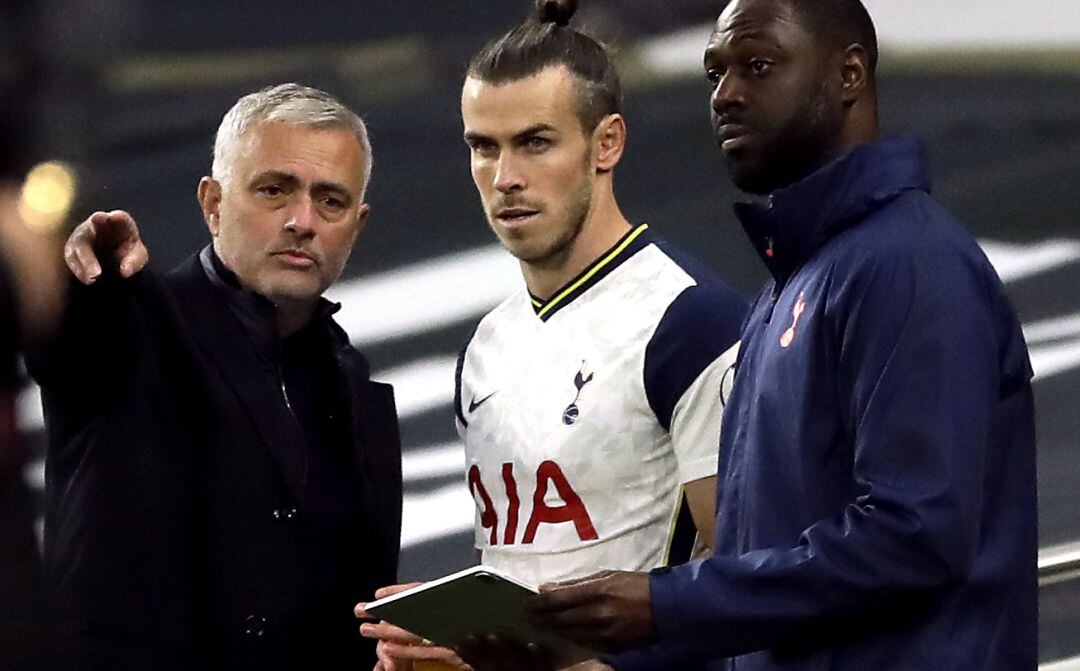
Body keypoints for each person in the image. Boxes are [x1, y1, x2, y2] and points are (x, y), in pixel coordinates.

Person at [508, 1, 1038, 670]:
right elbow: (759, 585)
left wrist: (666, 604)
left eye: (757, 67)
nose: (726, 95)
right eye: (714, 75)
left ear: (849, 74)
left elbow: (915, 536)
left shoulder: (908, 265)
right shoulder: (790, 286)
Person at [356, 2, 746, 669]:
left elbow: (745, 593)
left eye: (535, 141)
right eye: (484, 146)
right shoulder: (483, 348)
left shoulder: (688, 320)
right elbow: (518, 571)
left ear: (607, 143)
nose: (505, 176)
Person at [32, 83, 402, 670]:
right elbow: (71, 339)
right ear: (213, 203)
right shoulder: (134, 326)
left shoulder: (353, 385)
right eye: (274, 190)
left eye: (330, 201)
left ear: (356, 226)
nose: (302, 220)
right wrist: (85, 275)